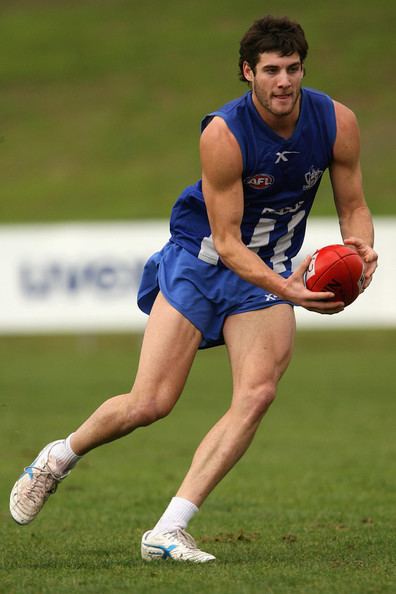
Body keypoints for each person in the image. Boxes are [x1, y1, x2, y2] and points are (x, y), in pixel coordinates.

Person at [10, 15, 377, 563]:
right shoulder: (223, 135)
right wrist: (290, 290)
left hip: (269, 273)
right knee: (150, 402)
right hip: (201, 264)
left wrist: (359, 249)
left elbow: (353, 205)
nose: (284, 82)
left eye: (293, 69)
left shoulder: (335, 121)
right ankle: (57, 457)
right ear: (247, 72)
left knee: (258, 393)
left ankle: (168, 529)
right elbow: (228, 244)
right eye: (271, 70)